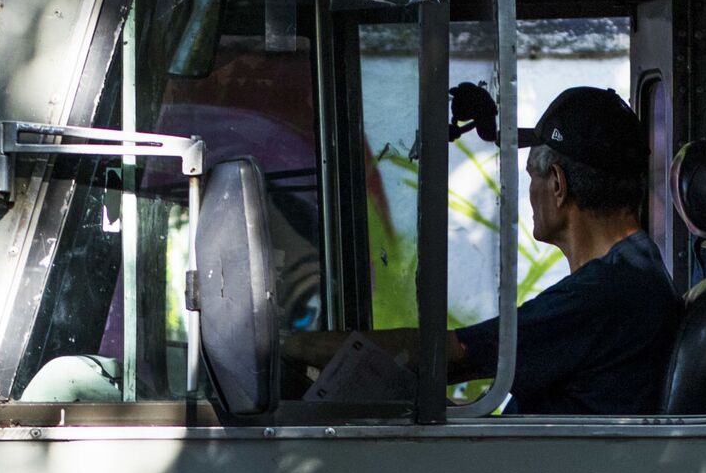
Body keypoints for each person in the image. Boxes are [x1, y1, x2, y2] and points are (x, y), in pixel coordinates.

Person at [288, 87, 683, 415]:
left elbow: (452, 355)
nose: (529, 193)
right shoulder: (634, 272)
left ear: (557, 184)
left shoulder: (605, 292)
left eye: (531, 176)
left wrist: (295, 345)